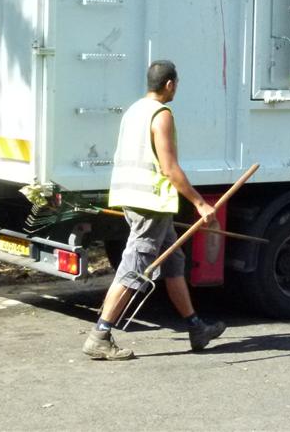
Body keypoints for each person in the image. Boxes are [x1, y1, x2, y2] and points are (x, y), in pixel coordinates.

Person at [82, 60, 226, 360]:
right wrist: (201, 204)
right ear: (170, 84)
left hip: (132, 197)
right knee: (134, 268)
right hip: (150, 202)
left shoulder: (135, 110)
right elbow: (170, 168)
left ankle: (196, 327)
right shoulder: (162, 116)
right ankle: (100, 334)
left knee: (173, 262)